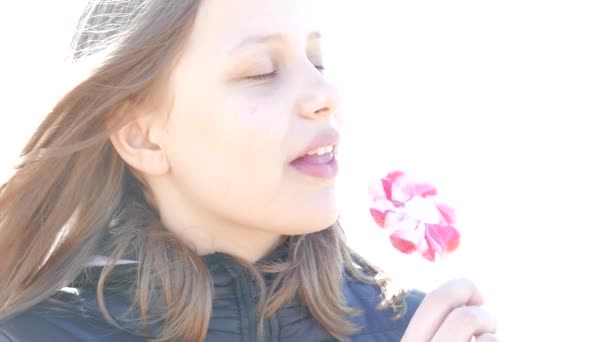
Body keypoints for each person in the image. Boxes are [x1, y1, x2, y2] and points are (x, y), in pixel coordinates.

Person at [0, 0, 498, 341]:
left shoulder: (416, 325)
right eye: (262, 71)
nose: (325, 96)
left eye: (317, 62)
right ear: (142, 136)